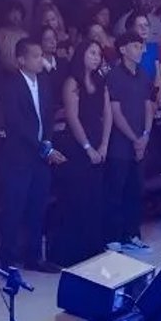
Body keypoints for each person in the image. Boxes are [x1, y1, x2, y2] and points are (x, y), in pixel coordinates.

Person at [0, 39, 64, 271]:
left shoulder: (44, 82)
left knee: (37, 206)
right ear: (21, 60)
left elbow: (48, 115)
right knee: (15, 207)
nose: (40, 60)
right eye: (35, 56)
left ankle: (33, 257)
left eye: (41, 55)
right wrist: (43, 147)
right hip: (18, 156)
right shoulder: (10, 86)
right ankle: (7, 259)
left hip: (40, 156)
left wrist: (47, 141)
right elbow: (16, 124)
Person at [53, 39, 112, 265]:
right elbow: (72, 117)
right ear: (81, 55)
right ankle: (70, 252)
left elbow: (107, 115)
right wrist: (87, 147)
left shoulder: (101, 81)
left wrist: (104, 144)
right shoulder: (72, 82)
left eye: (99, 54)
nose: (96, 57)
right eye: (92, 53)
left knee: (95, 197)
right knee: (76, 198)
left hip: (98, 140)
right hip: (77, 144)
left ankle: (93, 247)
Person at [103, 32, 155, 253]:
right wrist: (134, 138)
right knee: (117, 190)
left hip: (140, 143)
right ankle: (114, 236)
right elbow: (115, 112)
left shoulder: (143, 74)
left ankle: (133, 234)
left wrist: (145, 134)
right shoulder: (114, 75)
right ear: (123, 49)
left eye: (141, 46)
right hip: (120, 144)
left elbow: (148, 106)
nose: (140, 50)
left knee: (136, 190)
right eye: (135, 46)